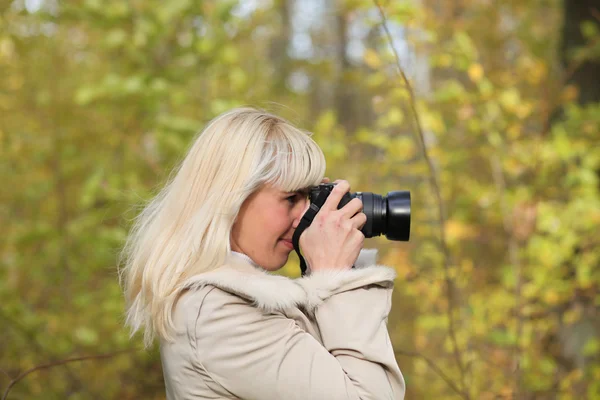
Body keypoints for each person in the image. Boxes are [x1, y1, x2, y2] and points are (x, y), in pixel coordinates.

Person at [119, 107, 405, 399]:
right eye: (291, 198)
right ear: (232, 197)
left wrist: (326, 275)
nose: (304, 217)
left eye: (309, 198)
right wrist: (336, 277)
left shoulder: (229, 302)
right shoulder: (217, 315)